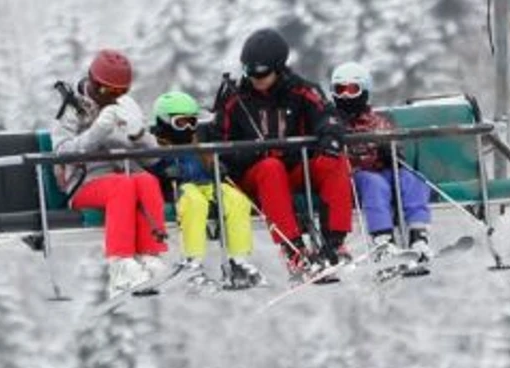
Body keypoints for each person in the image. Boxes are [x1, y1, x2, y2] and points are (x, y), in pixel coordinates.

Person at [212, 26, 354, 277]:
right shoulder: (236, 100)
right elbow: (220, 142)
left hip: (294, 169)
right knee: (270, 167)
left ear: (278, 68)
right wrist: (249, 155)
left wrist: (330, 137)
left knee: (334, 160)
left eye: (263, 73)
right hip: (254, 175)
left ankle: (334, 242)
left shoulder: (300, 91)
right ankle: (293, 251)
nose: (256, 79)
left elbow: (328, 116)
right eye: (249, 72)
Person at [54, 48, 169, 296]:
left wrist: (139, 135)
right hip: (84, 184)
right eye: (107, 91)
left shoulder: (123, 108)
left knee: (146, 181)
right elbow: (62, 152)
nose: (112, 98)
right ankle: (120, 265)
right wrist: (97, 132)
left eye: (120, 92)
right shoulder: (72, 110)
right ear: (93, 83)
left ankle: (149, 255)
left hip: (123, 175)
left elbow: (153, 160)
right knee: (123, 185)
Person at [146, 89, 263, 291]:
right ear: (163, 121)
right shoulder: (154, 144)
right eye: (181, 123)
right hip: (179, 189)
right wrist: (163, 172)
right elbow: (147, 167)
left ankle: (237, 261)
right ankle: (193, 262)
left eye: (193, 122)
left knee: (237, 200)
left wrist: (216, 166)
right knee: (195, 203)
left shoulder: (196, 141)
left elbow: (208, 158)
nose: (189, 128)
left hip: (205, 184)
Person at [330, 61, 434, 276]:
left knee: (412, 179)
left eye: (353, 90)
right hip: (353, 178)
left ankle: (418, 237)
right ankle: (383, 242)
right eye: (340, 90)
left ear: (365, 91)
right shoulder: (331, 122)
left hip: (381, 170)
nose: (346, 97)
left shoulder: (378, 121)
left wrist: (391, 152)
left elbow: (395, 142)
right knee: (374, 183)